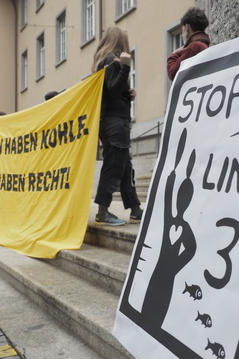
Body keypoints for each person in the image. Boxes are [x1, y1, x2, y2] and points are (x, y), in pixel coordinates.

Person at [92, 27, 143, 226]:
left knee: (125, 168)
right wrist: (127, 68)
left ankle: (135, 209)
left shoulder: (106, 63)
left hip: (112, 123)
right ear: (120, 41)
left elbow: (112, 93)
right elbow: (113, 91)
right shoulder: (112, 61)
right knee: (114, 167)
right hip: (115, 125)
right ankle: (102, 211)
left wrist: (127, 95)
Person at [167, 7, 211, 80]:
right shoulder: (204, 46)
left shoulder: (194, 47)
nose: (182, 34)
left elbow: (173, 73)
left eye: (182, 29)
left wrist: (174, 55)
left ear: (187, 27)